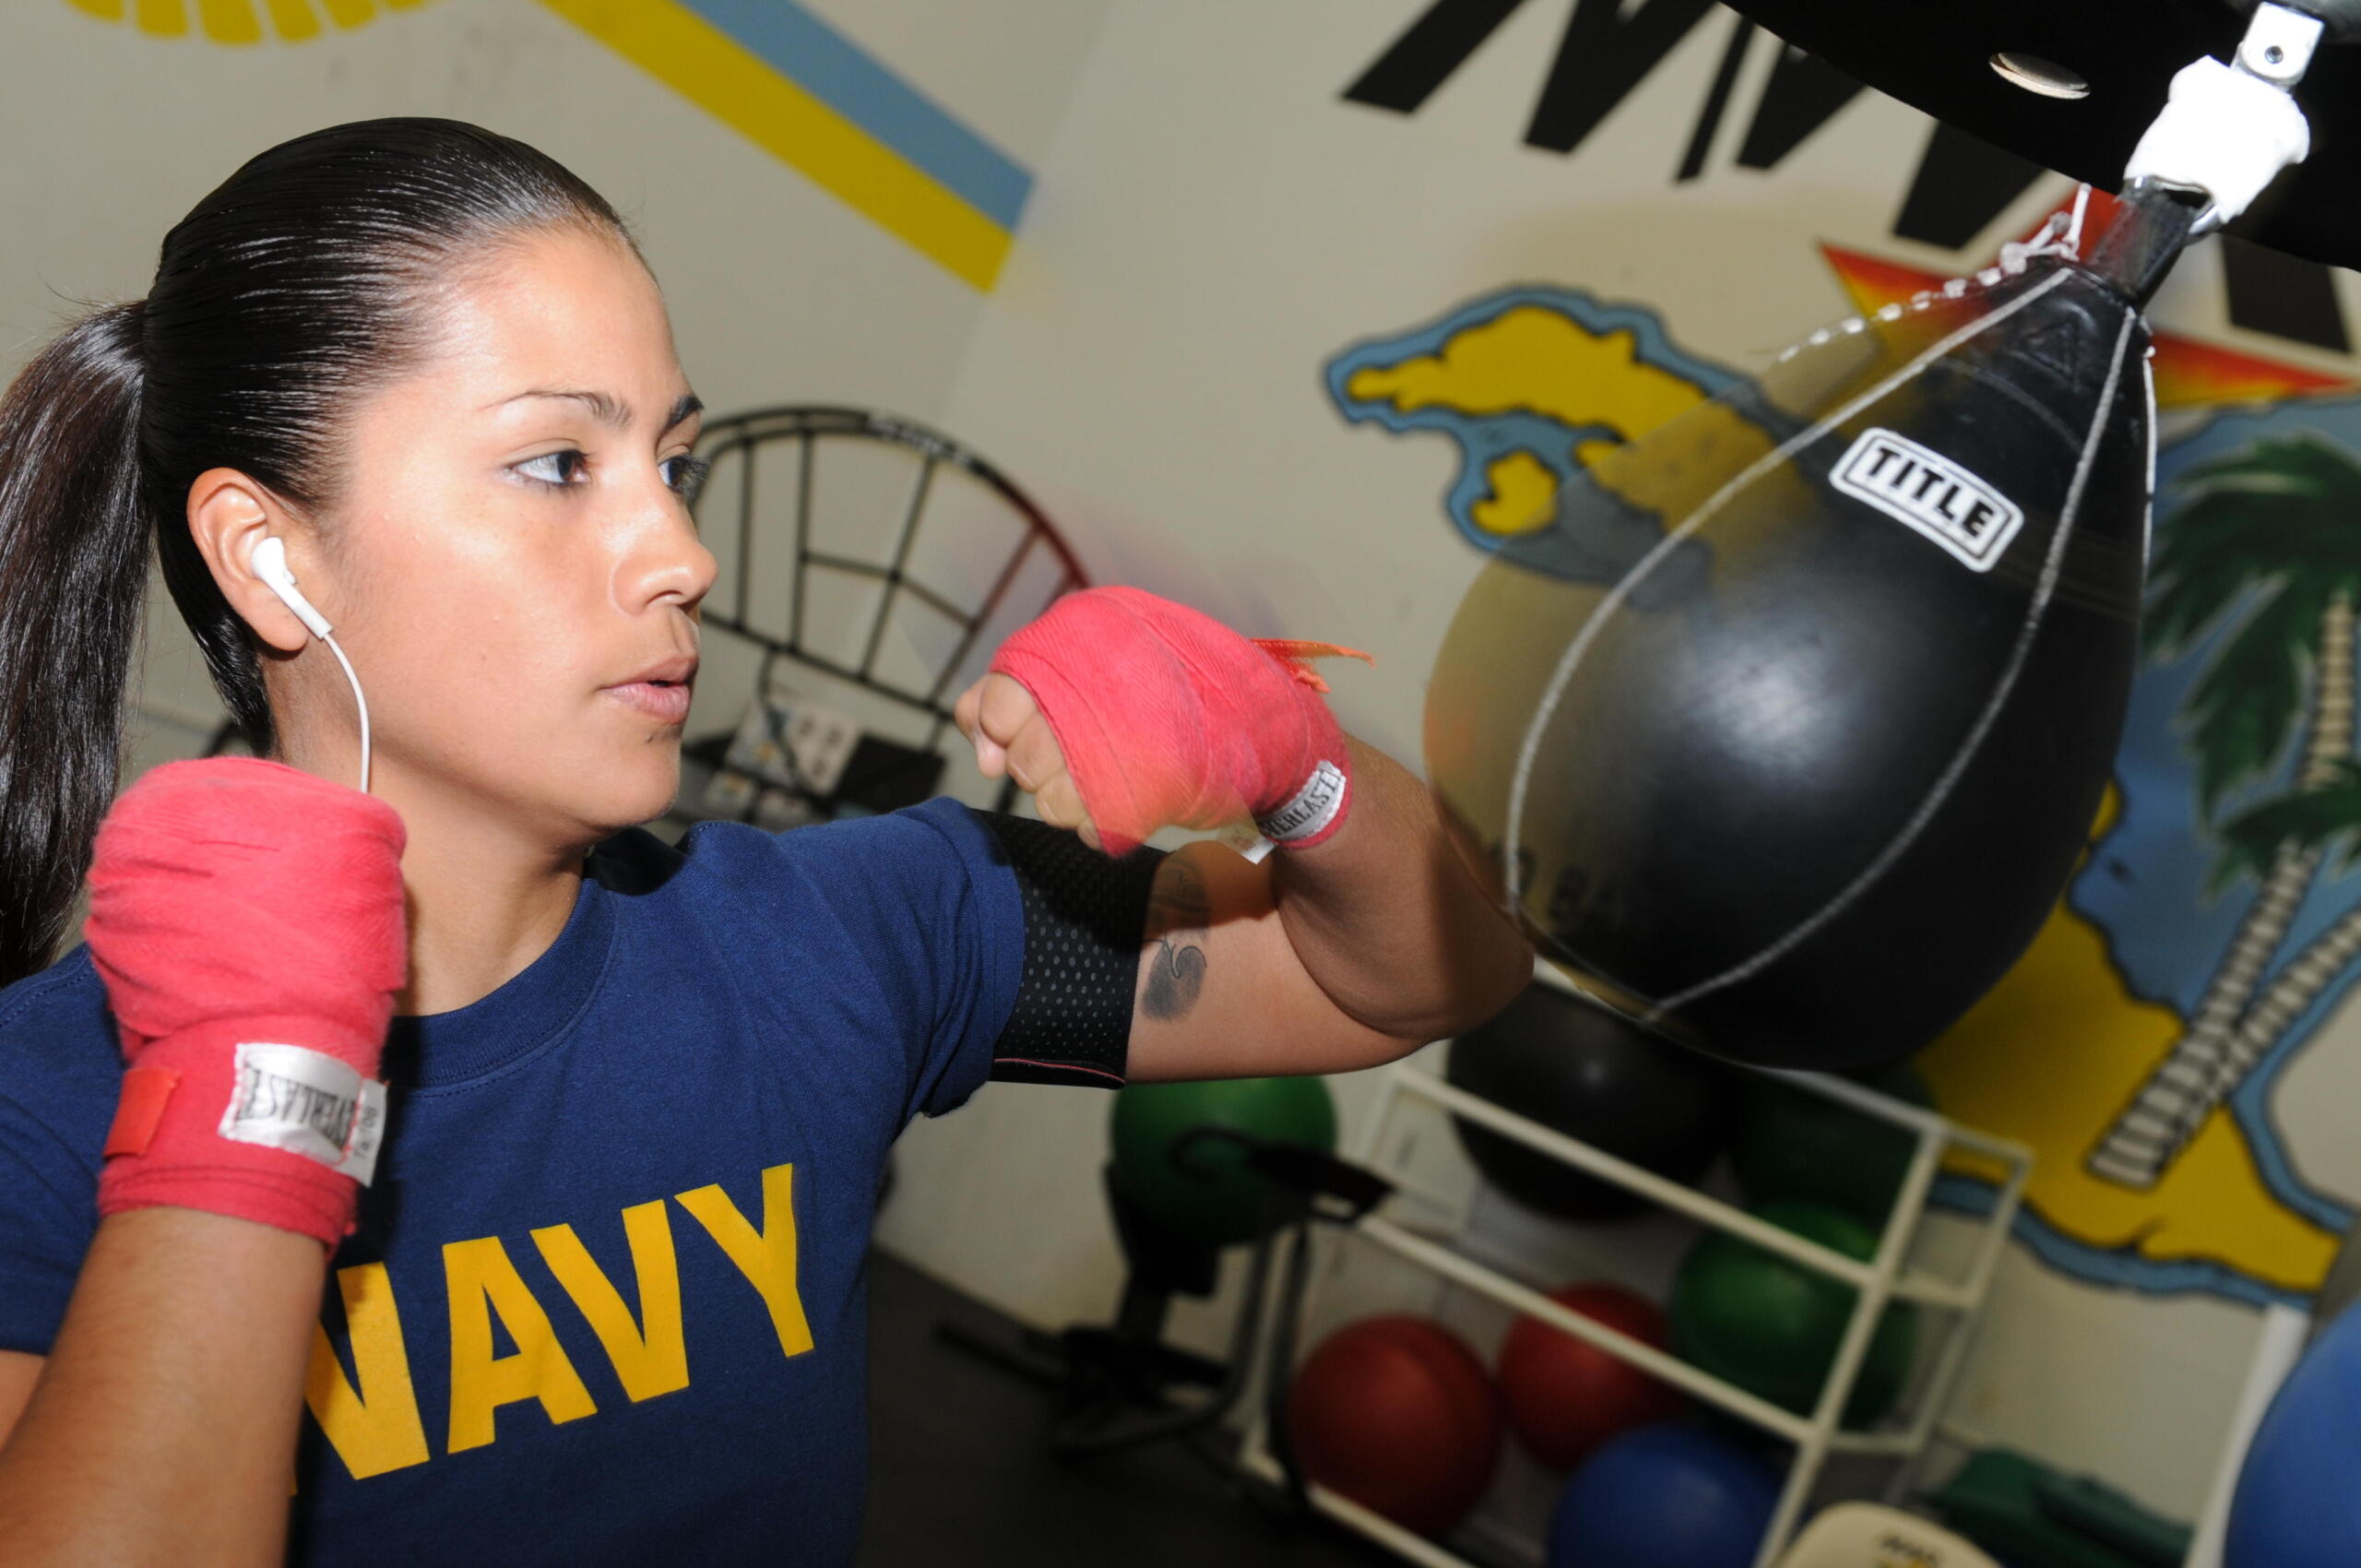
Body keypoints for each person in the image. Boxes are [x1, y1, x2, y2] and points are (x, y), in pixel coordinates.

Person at [0, 119, 1531, 1567]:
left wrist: (1299, 763)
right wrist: (245, 1112)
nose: (684, 555)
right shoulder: (41, 1112)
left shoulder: (844, 940)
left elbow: (1417, 982)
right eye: (558, 464)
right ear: (270, 557)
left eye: (675, 465)